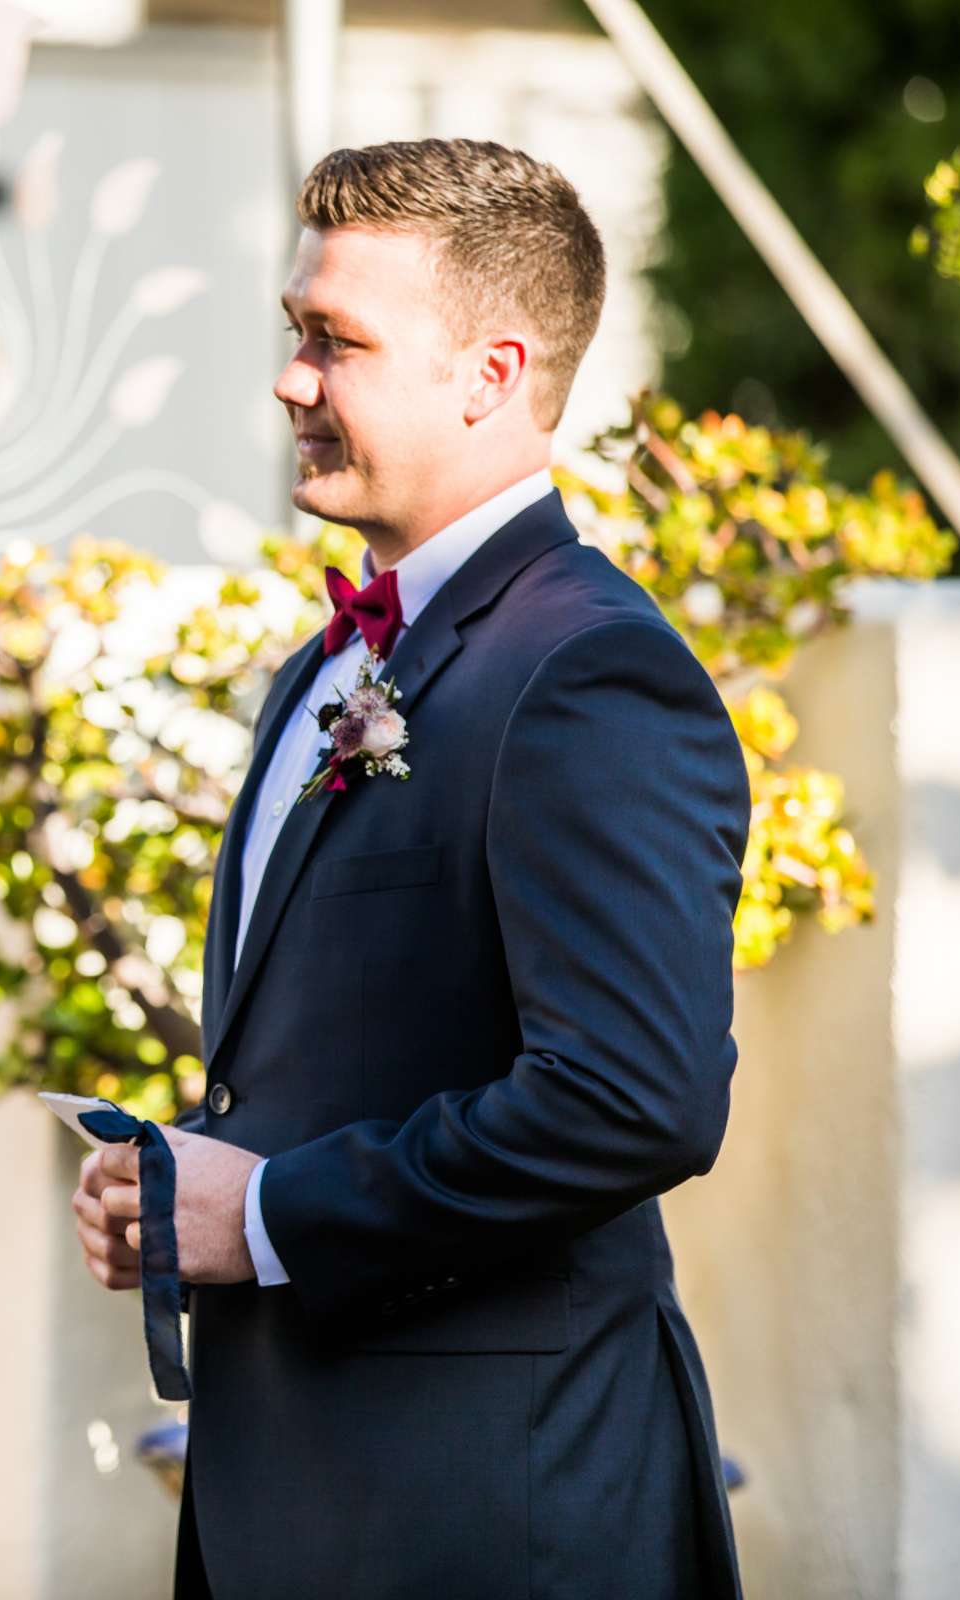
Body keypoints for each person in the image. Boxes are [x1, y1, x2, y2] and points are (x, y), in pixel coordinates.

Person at [73, 139, 751, 1597]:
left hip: (492, 1514)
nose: (291, 378)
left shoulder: (588, 669)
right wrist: (185, 1183)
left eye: (338, 341)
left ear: (489, 373)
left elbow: (634, 1100)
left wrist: (260, 1216)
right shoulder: (323, 667)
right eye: (294, 331)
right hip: (294, 1501)